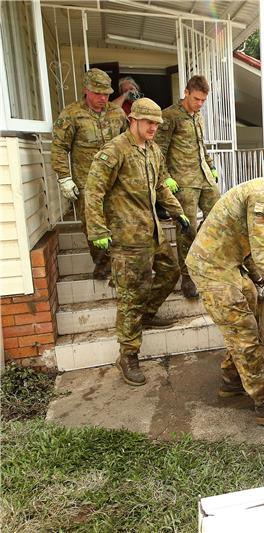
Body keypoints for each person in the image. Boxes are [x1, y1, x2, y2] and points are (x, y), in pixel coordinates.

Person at [185, 148, 264, 427]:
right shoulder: (263, 195)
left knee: (251, 305)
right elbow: (263, 248)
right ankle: (263, 400)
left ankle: (232, 380)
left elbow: (251, 248)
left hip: (227, 262)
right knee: (242, 330)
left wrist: (259, 280)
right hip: (212, 267)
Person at [84, 98, 193, 386]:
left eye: (157, 123)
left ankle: (147, 313)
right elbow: (93, 191)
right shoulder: (114, 151)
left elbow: (159, 186)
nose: (154, 128)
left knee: (171, 270)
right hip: (126, 237)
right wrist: (97, 230)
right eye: (149, 122)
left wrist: (178, 212)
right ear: (133, 120)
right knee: (130, 294)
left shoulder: (153, 150)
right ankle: (128, 355)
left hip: (152, 231)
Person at [52, 68, 127, 280]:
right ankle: (102, 262)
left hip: (116, 182)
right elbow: (59, 148)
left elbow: (127, 144)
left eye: (106, 93)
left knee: (119, 222)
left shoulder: (117, 113)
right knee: (92, 226)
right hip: (87, 183)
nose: (103, 98)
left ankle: (120, 263)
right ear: (86, 90)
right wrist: (64, 177)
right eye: (98, 93)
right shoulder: (71, 114)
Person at [155, 75, 221, 299]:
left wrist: (211, 166)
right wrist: (165, 178)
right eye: (196, 99)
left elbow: (201, 145)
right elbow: (158, 151)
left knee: (219, 217)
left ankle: (206, 261)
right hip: (183, 182)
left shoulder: (198, 116)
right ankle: (188, 276)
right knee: (187, 230)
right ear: (186, 92)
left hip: (204, 177)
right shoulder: (169, 116)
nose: (199, 104)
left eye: (203, 100)